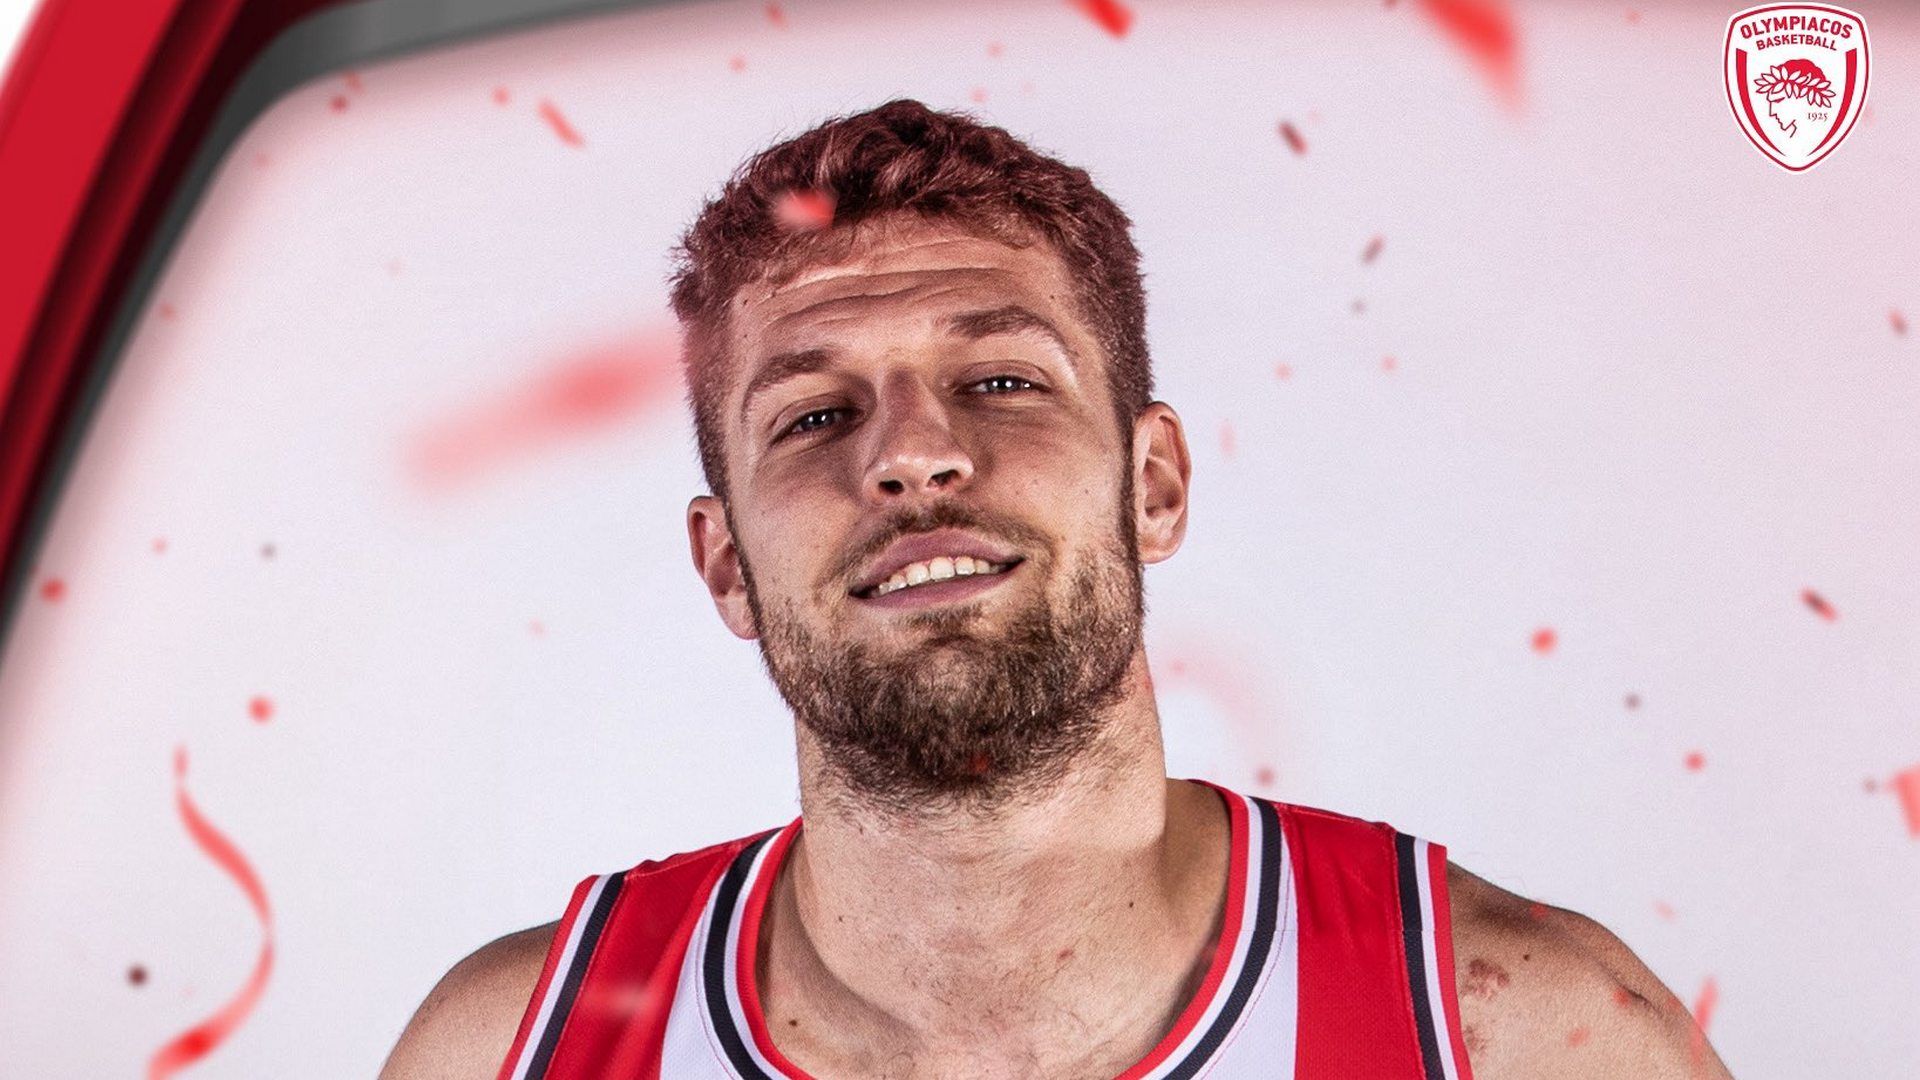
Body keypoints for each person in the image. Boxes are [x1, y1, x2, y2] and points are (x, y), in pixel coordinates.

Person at [381, 99, 1733, 1079]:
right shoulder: (509, 1052)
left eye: (1000, 380)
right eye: (813, 415)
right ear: (726, 561)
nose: (912, 454)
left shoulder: (1524, 1036)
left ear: (1155, 486)